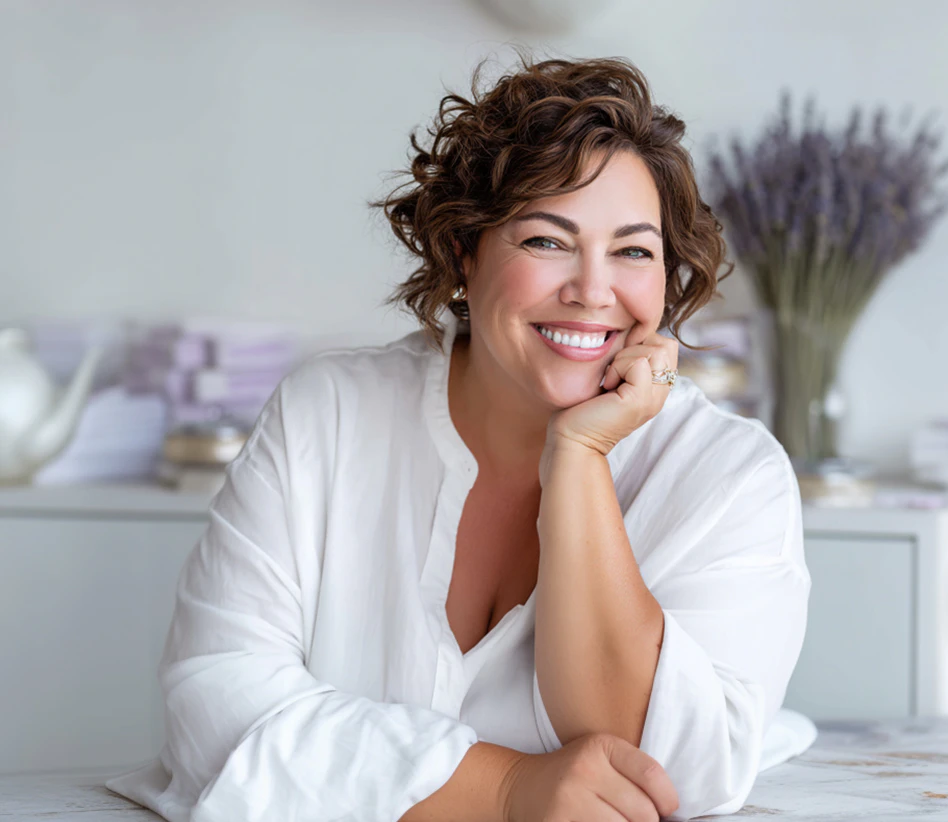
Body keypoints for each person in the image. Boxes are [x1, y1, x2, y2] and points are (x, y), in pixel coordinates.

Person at [105, 53, 811, 822]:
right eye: (546, 240)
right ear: (462, 250)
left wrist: (578, 460)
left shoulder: (729, 474)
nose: (593, 290)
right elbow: (214, 705)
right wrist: (506, 790)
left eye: (633, 251)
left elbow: (659, 775)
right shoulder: (328, 413)